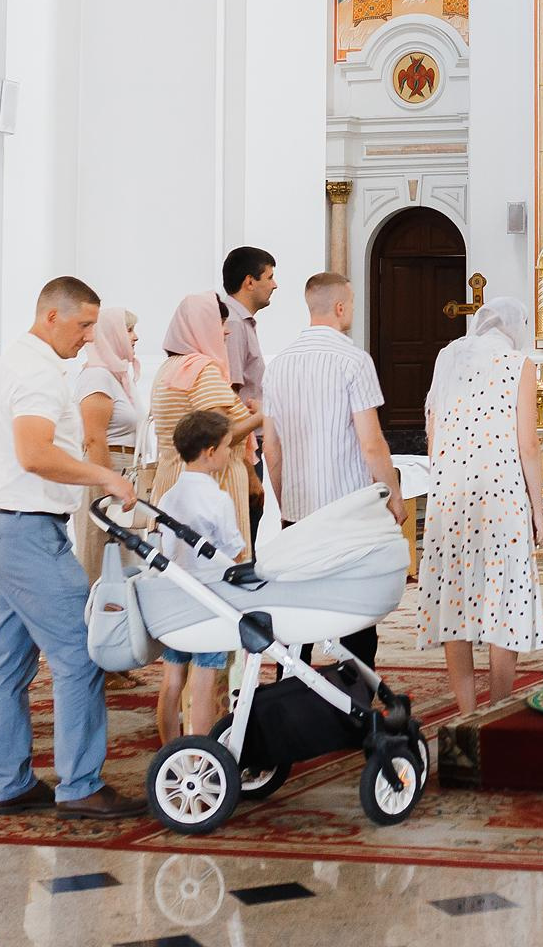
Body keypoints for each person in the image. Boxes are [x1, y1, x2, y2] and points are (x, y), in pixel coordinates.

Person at [0, 275, 143, 817]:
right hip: (24, 532)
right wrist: (104, 476)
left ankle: (11, 783)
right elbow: (34, 453)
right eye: (83, 324)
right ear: (52, 317)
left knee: (7, 664)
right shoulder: (38, 373)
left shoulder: (17, 361)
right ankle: (80, 786)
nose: (89, 337)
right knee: (81, 652)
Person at [263, 272, 404, 667]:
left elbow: (271, 448)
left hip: (298, 509)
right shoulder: (353, 360)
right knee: (355, 609)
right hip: (347, 512)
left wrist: (284, 502)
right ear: (341, 308)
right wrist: (393, 496)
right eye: (352, 304)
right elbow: (371, 442)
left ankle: (289, 691)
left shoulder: (278, 366)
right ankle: (357, 697)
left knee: (298, 610)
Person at [416, 299, 543, 715]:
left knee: (456, 595)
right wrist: (538, 509)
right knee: (504, 597)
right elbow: (528, 444)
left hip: (449, 493)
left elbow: (432, 429)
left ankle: (467, 711)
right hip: (501, 494)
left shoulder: (446, 357)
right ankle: (499, 710)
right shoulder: (519, 364)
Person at [150, 293, 265, 561]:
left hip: (174, 480)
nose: (226, 331)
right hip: (210, 483)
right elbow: (214, 435)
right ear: (202, 325)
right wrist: (263, 416)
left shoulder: (169, 367)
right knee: (218, 568)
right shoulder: (203, 370)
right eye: (221, 322)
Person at [153, 408, 242, 743]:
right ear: (210, 453)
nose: (229, 453)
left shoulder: (168, 496)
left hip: (175, 599)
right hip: (209, 601)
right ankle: (200, 754)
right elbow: (234, 553)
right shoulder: (217, 499)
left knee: (173, 679)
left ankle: (169, 748)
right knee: (203, 682)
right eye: (228, 447)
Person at [70, 307, 143, 582]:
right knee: (98, 559)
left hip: (120, 473)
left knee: (123, 558)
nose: (135, 337)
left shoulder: (117, 377)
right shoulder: (97, 377)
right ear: (111, 335)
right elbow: (94, 438)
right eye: (128, 330)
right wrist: (108, 486)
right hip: (106, 473)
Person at [220, 246, 277, 414]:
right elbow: (231, 391)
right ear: (250, 282)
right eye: (270, 277)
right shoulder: (234, 324)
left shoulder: (240, 321)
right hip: (247, 433)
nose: (275, 285)